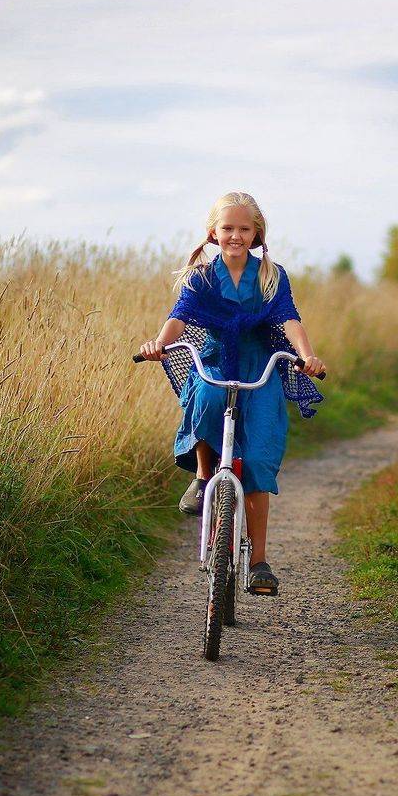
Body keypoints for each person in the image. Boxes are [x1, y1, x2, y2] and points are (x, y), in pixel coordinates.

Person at [138, 192, 325, 596]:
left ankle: (259, 561)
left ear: (256, 233)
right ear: (213, 233)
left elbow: (289, 319)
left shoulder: (271, 276)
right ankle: (203, 477)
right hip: (216, 360)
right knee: (205, 398)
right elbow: (179, 317)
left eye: (244, 228)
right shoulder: (201, 277)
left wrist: (307, 355)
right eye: (228, 228)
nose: (235, 236)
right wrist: (159, 343)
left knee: (256, 460)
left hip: (259, 366)